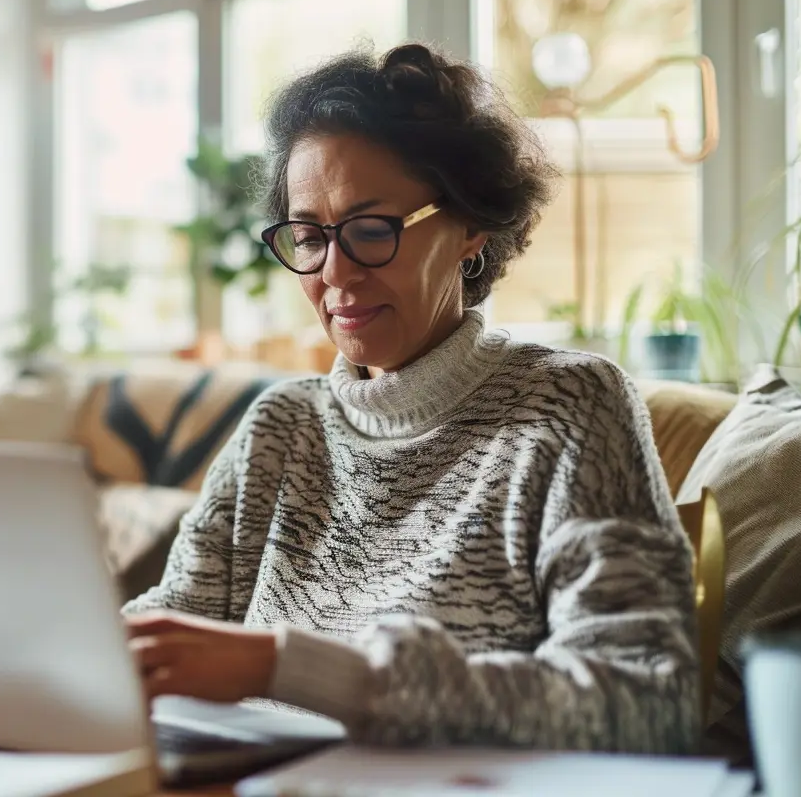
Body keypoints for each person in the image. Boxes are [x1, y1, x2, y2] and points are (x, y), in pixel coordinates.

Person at [122, 43, 699, 754]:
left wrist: (291, 668)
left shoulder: (568, 407)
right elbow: (167, 635)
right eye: (308, 235)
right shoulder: (281, 426)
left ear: (468, 229)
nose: (334, 273)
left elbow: (646, 698)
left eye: (370, 230)